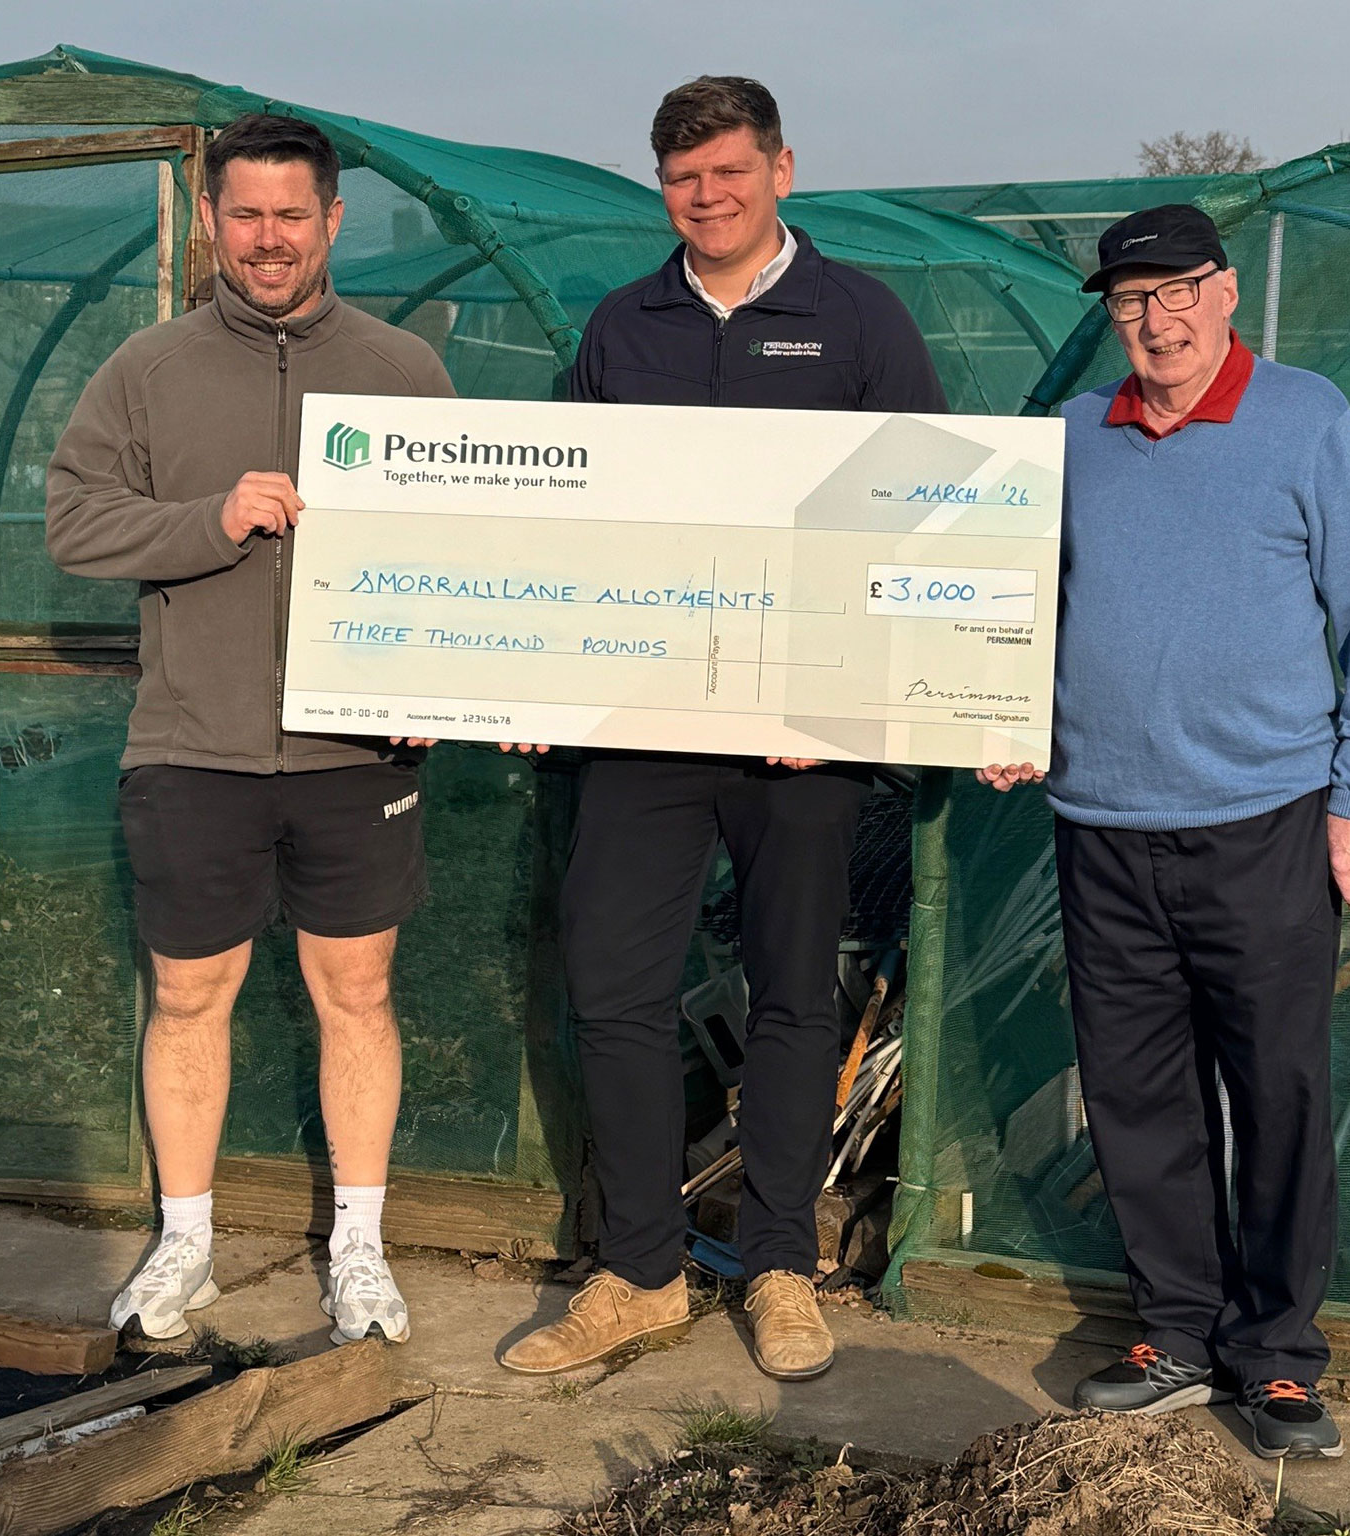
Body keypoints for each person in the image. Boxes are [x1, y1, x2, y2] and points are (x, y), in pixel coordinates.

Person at [497, 77, 946, 1382]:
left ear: (782, 171)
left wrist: (846, 691)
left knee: (796, 996)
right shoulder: (622, 326)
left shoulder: (859, 318)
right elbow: (568, 523)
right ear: (665, 189)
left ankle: (779, 1271)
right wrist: (525, 671)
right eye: (685, 179)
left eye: (731, 173)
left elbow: (920, 514)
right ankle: (637, 1272)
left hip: (801, 732)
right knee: (616, 983)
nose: (709, 197)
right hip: (644, 721)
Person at [980, 204, 1350, 1459]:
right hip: (1102, 824)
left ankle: (1274, 1359)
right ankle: (1173, 1330)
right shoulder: (1070, 440)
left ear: (1225, 294)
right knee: (1131, 1092)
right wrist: (996, 709)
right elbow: (1011, 613)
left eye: (1176, 295)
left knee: (1275, 1092)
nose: (1154, 323)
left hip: (1264, 822)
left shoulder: (1304, 418)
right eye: (1128, 303)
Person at [46, 114, 455, 1347]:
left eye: (292, 214)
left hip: (353, 754)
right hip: (192, 745)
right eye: (245, 215)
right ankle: (186, 1245)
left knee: (359, 990)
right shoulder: (148, 368)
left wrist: (437, 687)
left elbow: (465, 556)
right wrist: (208, 520)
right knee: (186, 996)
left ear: (333, 221)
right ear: (211, 219)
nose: (267, 239)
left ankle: (361, 1251)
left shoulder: (404, 371)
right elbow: (75, 523)